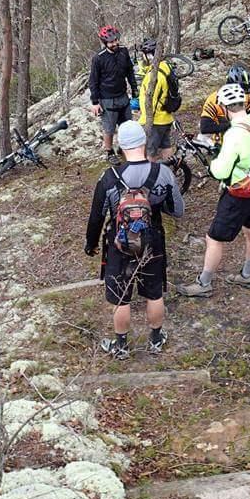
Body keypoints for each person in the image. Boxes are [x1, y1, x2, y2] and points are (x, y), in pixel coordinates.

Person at [84, 121, 184, 359]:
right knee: (154, 293)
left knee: (120, 297)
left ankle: (121, 346)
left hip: (119, 244)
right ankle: (156, 340)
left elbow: (97, 216)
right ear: (143, 142)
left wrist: (91, 243)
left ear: (120, 145)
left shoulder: (109, 178)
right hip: (153, 241)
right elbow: (178, 210)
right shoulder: (163, 173)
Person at [176, 84, 250, 298]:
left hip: (239, 192)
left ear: (225, 108)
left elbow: (219, 171)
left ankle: (204, 283)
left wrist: (214, 164)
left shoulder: (235, 134)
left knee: (213, 238)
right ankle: (247, 274)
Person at [89, 25, 139, 163]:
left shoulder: (123, 51)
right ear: (105, 43)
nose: (115, 44)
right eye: (111, 42)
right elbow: (93, 80)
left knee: (127, 124)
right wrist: (95, 102)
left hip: (123, 95)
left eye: (116, 40)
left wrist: (134, 88)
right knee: (109, 128)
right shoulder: (98, 58)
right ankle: (109, 152)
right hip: (107, 99)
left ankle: (124, 148)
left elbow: (129, 71)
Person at [137, 39, 177, 161]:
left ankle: (151, 177)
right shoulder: (165, 66)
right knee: (166, 146)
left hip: (155, 120)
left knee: (150, 153)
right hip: (166, 117)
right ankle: (171, 171)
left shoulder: (154, 76)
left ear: (149, 55)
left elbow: (151, 100)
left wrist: (143, 121)